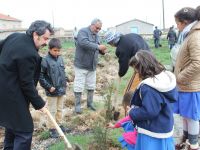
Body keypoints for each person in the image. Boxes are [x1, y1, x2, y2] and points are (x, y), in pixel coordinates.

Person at [0, 20, 54, 150]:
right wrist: (39, 103)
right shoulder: (29, 53)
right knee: (24, 131)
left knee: (13, 126)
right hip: (13, 94)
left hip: (3, 90)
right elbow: (26, 83)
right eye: (45, 38)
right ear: (36, 34)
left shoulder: (15, 37)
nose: (46, 42)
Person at [128, 50, 178, 150]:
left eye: (136, 70)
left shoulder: (149, 87)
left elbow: (150, 111)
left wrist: (132, 112)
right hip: (164, 125)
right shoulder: (164, 78)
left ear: (142, 68)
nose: (136, 73)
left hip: (151, 132)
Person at [174, 6, 200, 150]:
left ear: (184, 22)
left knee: (191, 117)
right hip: (185, 84)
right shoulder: (189, 34)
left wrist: (180, 77)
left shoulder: (195, 35)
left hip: (191, 84)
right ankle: (186, 139)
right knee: (185, 115)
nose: (177, 27)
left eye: (177, 23)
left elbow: (198, 63)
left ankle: (194, 144)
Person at [73, 18, 107, 114]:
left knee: (91, 85)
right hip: (81, 65)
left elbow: (97, 46)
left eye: (99, 29)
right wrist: (98, 47)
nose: (98, 30)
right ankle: (78, 106)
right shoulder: (83, 31)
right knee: (79, 85)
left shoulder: (97, 35)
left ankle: (90, 103)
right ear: (92, 25)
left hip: (92, 65)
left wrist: (102, 51)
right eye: (97, 28)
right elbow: (84, 43)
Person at [39, 38, 68, 138]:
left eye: (59, 50)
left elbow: (63, 72)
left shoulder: (60, 59)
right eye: (55, 50)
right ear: (49, 49)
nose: (57, 52)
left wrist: (66, 80)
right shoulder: (45, 60)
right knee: (52, 110)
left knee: (60, 109)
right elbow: (41, 76)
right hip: (52, 90)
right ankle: (52, 128)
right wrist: (49, 87)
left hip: (61, 89)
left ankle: (59, 125)